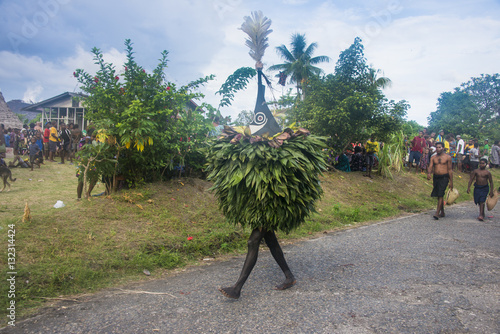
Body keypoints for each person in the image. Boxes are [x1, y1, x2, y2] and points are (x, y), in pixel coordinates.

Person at [427, 142, 453, 220]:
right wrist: (429, 173)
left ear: (443, 148)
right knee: (438, 194)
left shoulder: (447, 157)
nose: (438, 149)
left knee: (441, 194)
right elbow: (430, 166)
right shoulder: (433, 157)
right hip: (436, 177)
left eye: (439, 147)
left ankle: (437, 212)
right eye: (437, 147)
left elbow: (450, 170)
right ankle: (442, 212)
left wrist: (451, 181)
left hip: (444, 177)